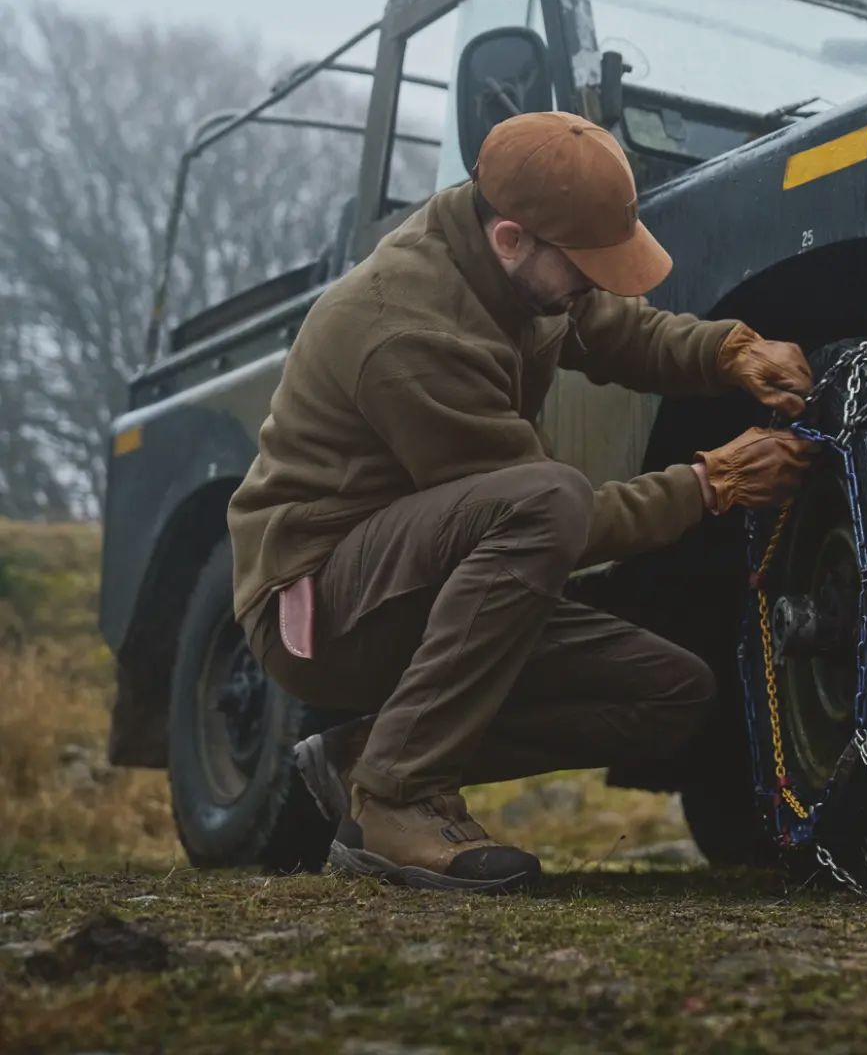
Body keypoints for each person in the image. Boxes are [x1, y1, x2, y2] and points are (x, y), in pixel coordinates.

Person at [227, 110, 818, 894]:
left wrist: (729, 350)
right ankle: (396, 798)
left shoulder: (522, 272)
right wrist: (711, 485)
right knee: (546, 495)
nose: (595, 283)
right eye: (584, 266)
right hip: (325, 601)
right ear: (511, 239)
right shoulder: (407, 332)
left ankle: (369, 757)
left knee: (670, 693)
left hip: (432, 574)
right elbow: (556, 522)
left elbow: (615, 330)